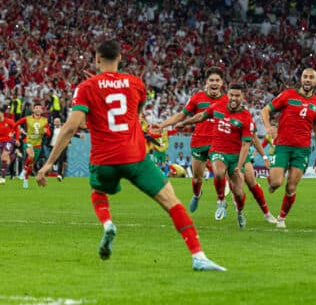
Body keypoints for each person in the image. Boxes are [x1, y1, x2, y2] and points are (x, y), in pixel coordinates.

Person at [35, 40, 225, 271]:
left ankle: (107, 225)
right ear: (120, 59)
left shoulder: (86, 87)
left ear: (97, 59)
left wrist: (48, 164)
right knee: (171, 202)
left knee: (98, 191)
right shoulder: (136, 83)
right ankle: (198, 256)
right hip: (135, 156)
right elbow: (133, 113)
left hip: (103, 158)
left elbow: (71, 126)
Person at [175, 82, 255, 227]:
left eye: (237, 96)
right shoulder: (218, 106)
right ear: (228, 94)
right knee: (218, 173)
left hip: (236, 156)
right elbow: (201, 116)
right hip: (218, 150)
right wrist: (185, 123)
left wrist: (239, 165)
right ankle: (221, 201)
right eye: (231, 95)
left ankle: (240, 212)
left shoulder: (246, 117)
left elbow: (245, 145)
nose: (234, 98)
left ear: (242, 97)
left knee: (238, 192)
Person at [153, 67, 228, 214]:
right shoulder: (197, 98)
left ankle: (220, 201)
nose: (214, 83)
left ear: (222, 83)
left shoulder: (227, 100)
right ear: (206, 82)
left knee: (219, 173)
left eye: (217, 80)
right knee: (197, 178)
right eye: (211, 80)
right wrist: (162, 125)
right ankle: (197, 194)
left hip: (218, 142)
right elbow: (181, 115)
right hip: (199, 142)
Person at [261, 68, 316, 229]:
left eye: (311, 77)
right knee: (276, 182)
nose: (308, 80)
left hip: (302, 150)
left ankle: (281, 218)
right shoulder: (288, 95)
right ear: (301, 79)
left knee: (291, 186)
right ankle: (272, 184)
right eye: (305, 77)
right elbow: (265, 110)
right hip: (282, 146)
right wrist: (268, 127)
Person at [15, 102, 51, 188]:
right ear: (33, 109)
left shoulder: (45, 120)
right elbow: (17, 123)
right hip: (28, 142)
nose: (38, 109)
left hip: (37, 145)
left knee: (31, 165)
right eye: (36, 108)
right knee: (31, 155)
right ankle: (23, 171)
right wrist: (14, 132)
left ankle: (26, 179)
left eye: (40, 108)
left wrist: (47, 132)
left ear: (42, 110)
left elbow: (49, 133)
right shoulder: (28, 118)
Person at [0, 107, 20, 184]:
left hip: (8, 141)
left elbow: (17, 129)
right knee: (6, 161)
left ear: (2, 113)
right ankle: (14, 155)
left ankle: (2, 178)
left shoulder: (9, 121)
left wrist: (17, 139)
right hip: (0, 142)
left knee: (4, 156)